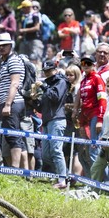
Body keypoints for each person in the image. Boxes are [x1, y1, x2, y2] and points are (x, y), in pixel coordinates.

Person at [32, 60, 70, 188]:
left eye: (49, 70)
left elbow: (55, 97)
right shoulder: (48, 84)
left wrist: (43, 86)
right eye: (45, 71)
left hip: (57, 120)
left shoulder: (61, 82)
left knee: (56, 150)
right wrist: (35, 100)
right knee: (46, 154)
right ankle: (65, 176)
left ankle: (62, 180)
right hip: (47, 121)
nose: (47, 73)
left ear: (55, 69)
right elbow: (41, 108)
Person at [0, 32, 26, 168]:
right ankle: (24, 171)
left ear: (11, 45)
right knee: (15, 137)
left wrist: (7, 104)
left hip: (13, 103)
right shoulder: (5, 61)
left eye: (5, 45)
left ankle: (15, 170)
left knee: (13, 137)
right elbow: (5, 87)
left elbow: (14, 83)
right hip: (9, 102)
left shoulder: (13, 60)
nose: (1, 48)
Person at [72, 54, 107, 176]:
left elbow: (102, 99)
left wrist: (100, 119)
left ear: (94, 65)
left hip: (95, 115)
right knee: (86, 151)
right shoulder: (84, 80)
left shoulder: (97, 78)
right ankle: (96, 179)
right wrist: (76, 112)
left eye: (88, 63)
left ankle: (100, 182)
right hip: (85, 117)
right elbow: (81, 99)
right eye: (83, 64)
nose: (85, 66)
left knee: (94, 149)